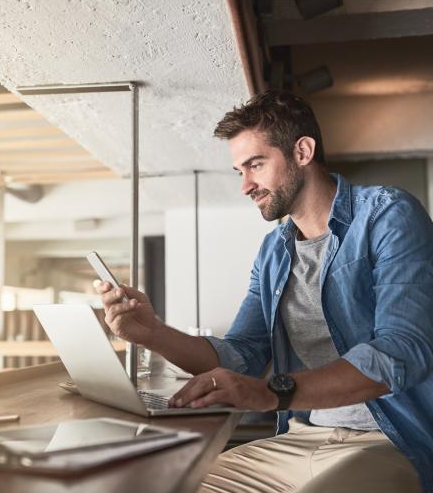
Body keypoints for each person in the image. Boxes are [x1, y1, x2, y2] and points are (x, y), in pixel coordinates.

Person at [94, 90, 432, 492]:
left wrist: (273, 392)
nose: (245, 185)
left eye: (255, 164)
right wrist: (152, 333)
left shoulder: (387, 214)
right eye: (240, 170)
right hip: (299, 438)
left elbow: (402, 350)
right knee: (169, 485)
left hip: (387, 440)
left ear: (302, 151)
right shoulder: (274, 251)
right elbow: (243, 356)